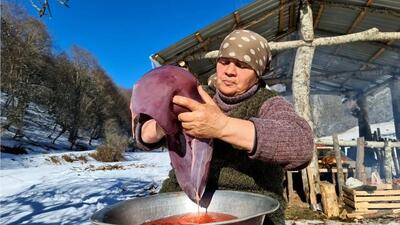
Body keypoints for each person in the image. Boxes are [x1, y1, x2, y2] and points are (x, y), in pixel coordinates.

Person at [133, 29, 314, 225]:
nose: (229, 71)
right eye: (224, 61)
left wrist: (221, 126)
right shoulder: (196, 95)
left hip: (250, 210)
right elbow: (142, 136)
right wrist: (162, 124)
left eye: (242, 65)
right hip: (181, 201)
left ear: (258, 72)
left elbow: (301, 146)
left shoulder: (269, 103)